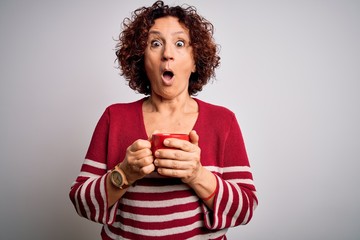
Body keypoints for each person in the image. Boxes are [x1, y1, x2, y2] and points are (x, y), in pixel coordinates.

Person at [69, 1, 258, 239]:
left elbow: (246, 209)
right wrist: (125, 173)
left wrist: (197, 175)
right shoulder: (114, 118)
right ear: (141, 59)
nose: (167, 54)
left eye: (180, 43)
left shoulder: (223, 121)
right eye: (155, 43)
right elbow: (81, 203)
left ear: (194, 60)